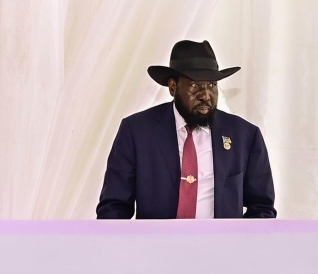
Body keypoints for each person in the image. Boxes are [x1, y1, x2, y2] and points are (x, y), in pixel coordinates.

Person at [97, 39, 275, 219]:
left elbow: (262, 207)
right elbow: (114, 206)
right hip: (156, 245)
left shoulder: (244, 135)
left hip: (220, 245)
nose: (205, 95)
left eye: (212, 85)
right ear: (173, 87)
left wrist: (238, 244)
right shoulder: (137, 132)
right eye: (195, 85)